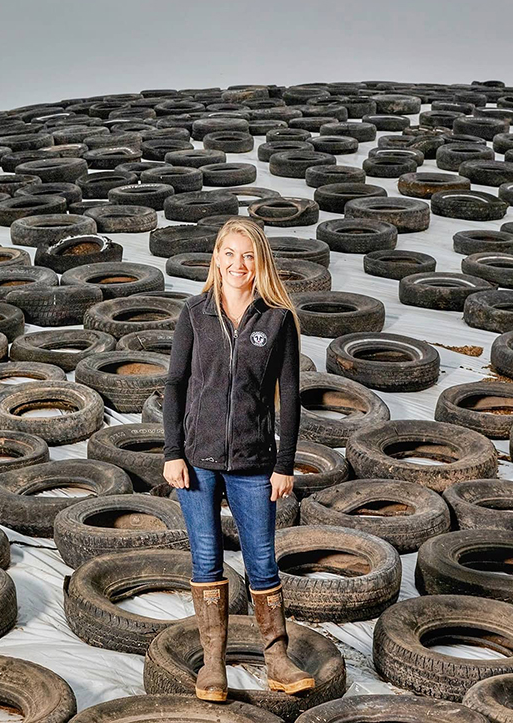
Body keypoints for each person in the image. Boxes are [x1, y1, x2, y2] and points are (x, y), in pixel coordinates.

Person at [162, 217, 314, 702]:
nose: (237, 264)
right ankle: (212, 664)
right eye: (229, 253)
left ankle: (277, 659)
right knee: (207, 561)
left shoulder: (277, 319)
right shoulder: (194, 313)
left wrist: (284, 463)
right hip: (196, 461)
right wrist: (172, 453)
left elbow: (288, 395)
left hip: (254, 461)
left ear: (260, 261)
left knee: (263, 562)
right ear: (216, 258)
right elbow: (175, 386)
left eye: (247, 255)